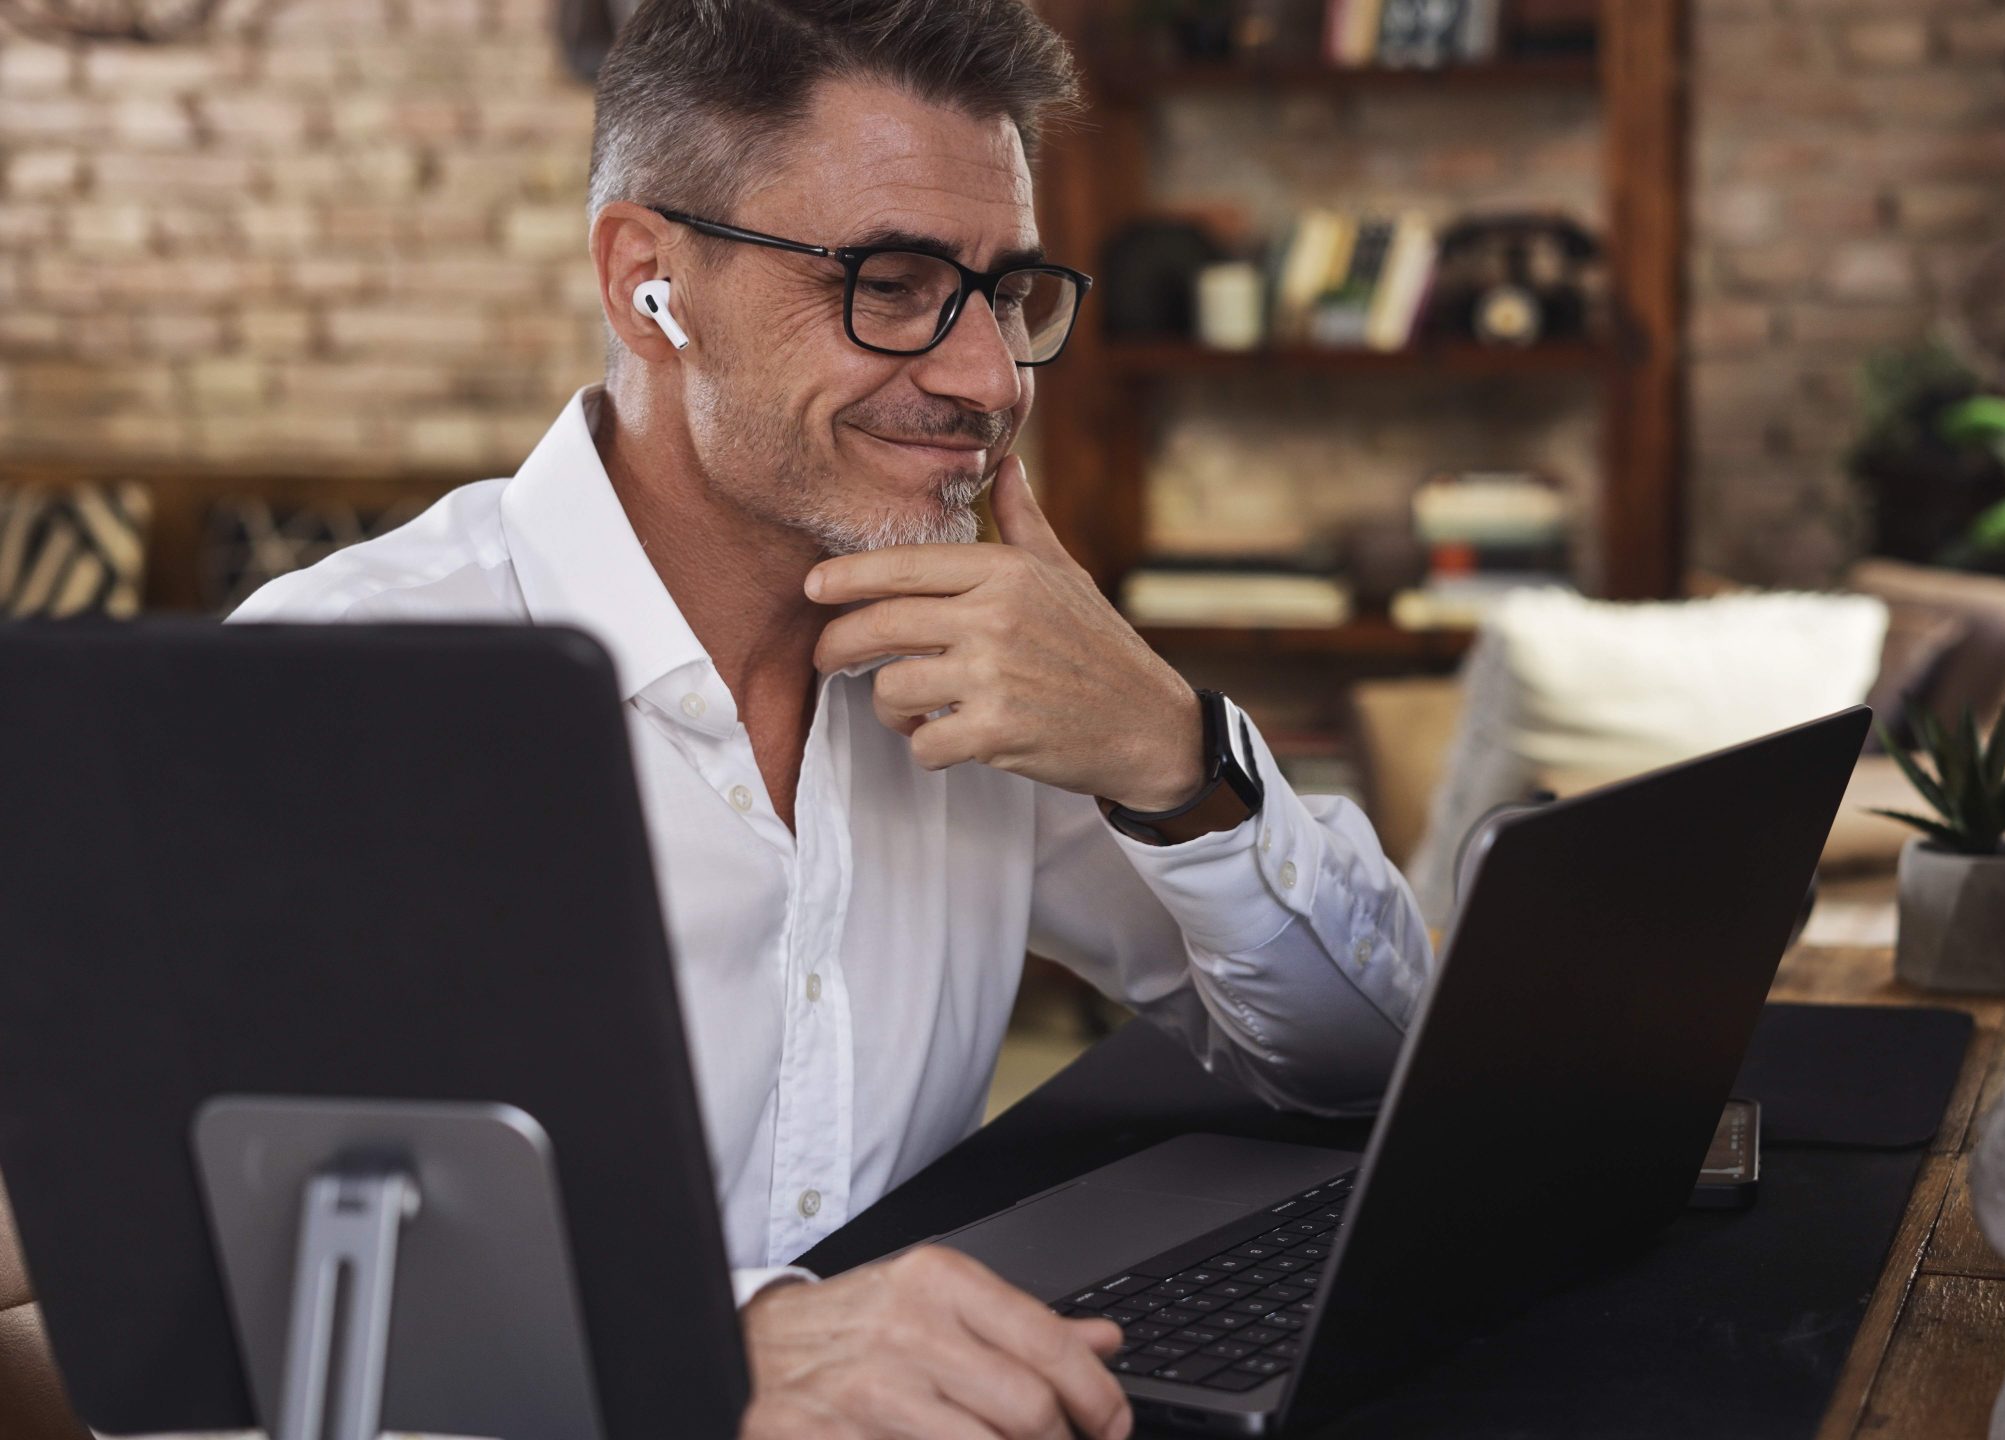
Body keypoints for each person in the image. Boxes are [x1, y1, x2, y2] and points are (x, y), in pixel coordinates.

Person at [231, 1, 1432, 1434]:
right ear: (647, 282)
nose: (991, 380)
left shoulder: (968, 659)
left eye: (1008, 292)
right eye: (894, 280)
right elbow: (193, 1307)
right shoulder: (332, 692)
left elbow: (1366, 1064)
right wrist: (704, 1355)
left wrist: (1175, 754)